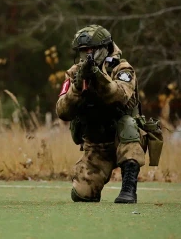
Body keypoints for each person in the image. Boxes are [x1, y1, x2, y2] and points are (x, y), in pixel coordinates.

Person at [56, 25, 146, 203]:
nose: (86, 55)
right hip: (96, 145)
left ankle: (129, 189)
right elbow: (62, 111)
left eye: (90, 50)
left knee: (128, 124)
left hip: (122, 137)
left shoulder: (122, 69)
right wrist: (77, 86)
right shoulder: (74, 73)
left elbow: (119, 96)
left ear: (105, 48)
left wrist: (99, 77)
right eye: (82, 51)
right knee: (82, 195)